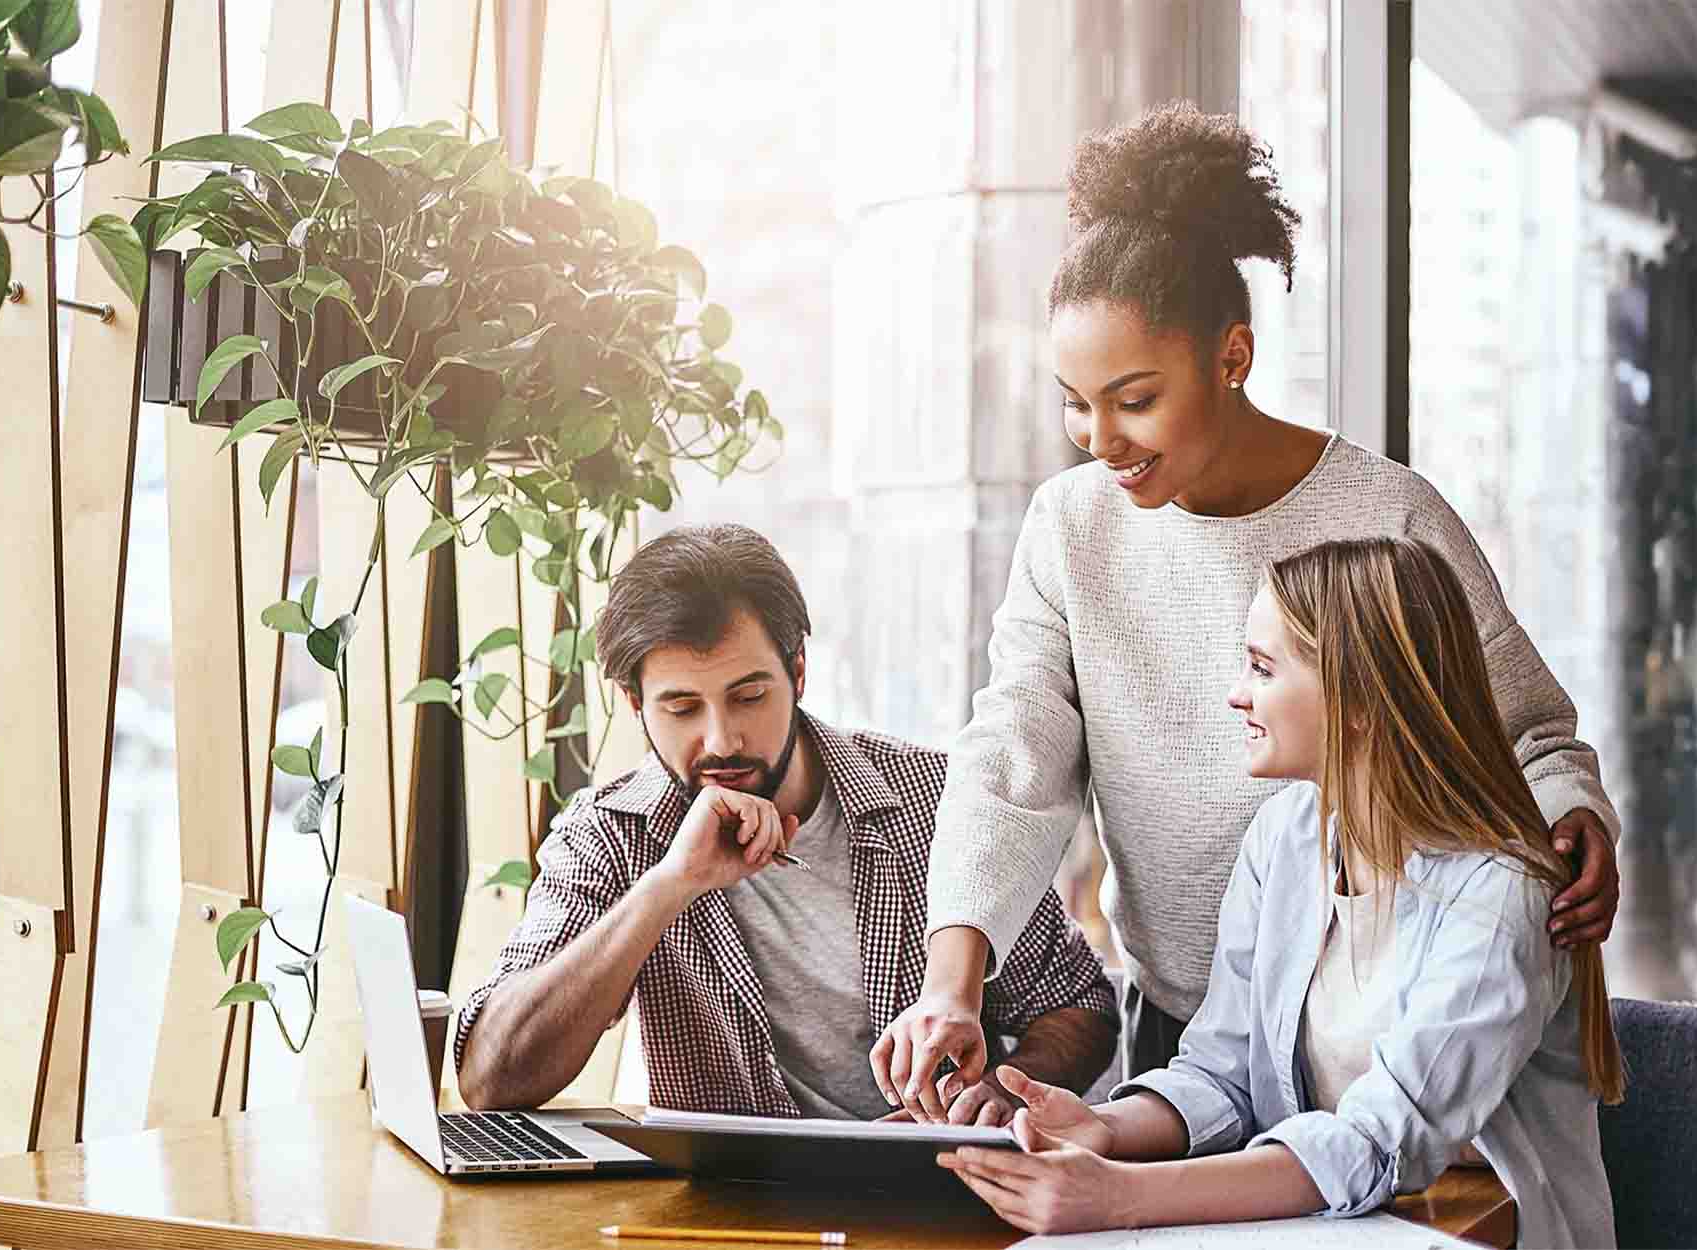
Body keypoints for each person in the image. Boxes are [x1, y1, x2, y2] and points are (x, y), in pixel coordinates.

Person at [872, 101, 1621, 1120]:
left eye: (1134, 397)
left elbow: (1526, 731)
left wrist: (1571, 812)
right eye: (1075, 399)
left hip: (1389, 1019)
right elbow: (1014, 758)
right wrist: (949, 983)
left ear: (1233, 357)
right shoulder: (1069, 526)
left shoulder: (1385, 513)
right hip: (1198, 1035)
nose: (1099, 435)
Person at [937, 538, 1623, 1248]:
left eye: (1262, 668)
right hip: (1326, 1222)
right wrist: (1102, 1129)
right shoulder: (1285, 837)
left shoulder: (1503, 891)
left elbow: (1379, 1141)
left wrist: (1119, 1198)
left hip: (1477, 1229)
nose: (1237, 694)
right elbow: (1222, 1072)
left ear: (1360, 698)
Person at [455, 524, 1119, 1123]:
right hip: (725, 1212)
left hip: (929, 1194)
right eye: (681, 708)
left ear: (797, 671)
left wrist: (1007, 1089)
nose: (721, 740)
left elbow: (1077, 1003)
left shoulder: (938, 799)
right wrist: (668, 885)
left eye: (748, 696)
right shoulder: (607, 835)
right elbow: (491, 1079)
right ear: (634, 702)